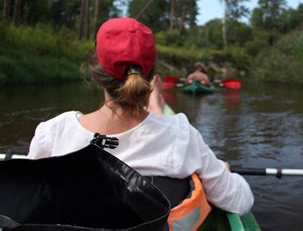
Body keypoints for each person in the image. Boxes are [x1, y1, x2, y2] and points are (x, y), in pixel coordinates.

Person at [26, 17, 254, 220]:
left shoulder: (52, 133)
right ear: (151, 75)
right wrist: (223, 172)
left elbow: (27, 201)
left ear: (95, 72)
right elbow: (241, 201)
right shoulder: (180, 136)